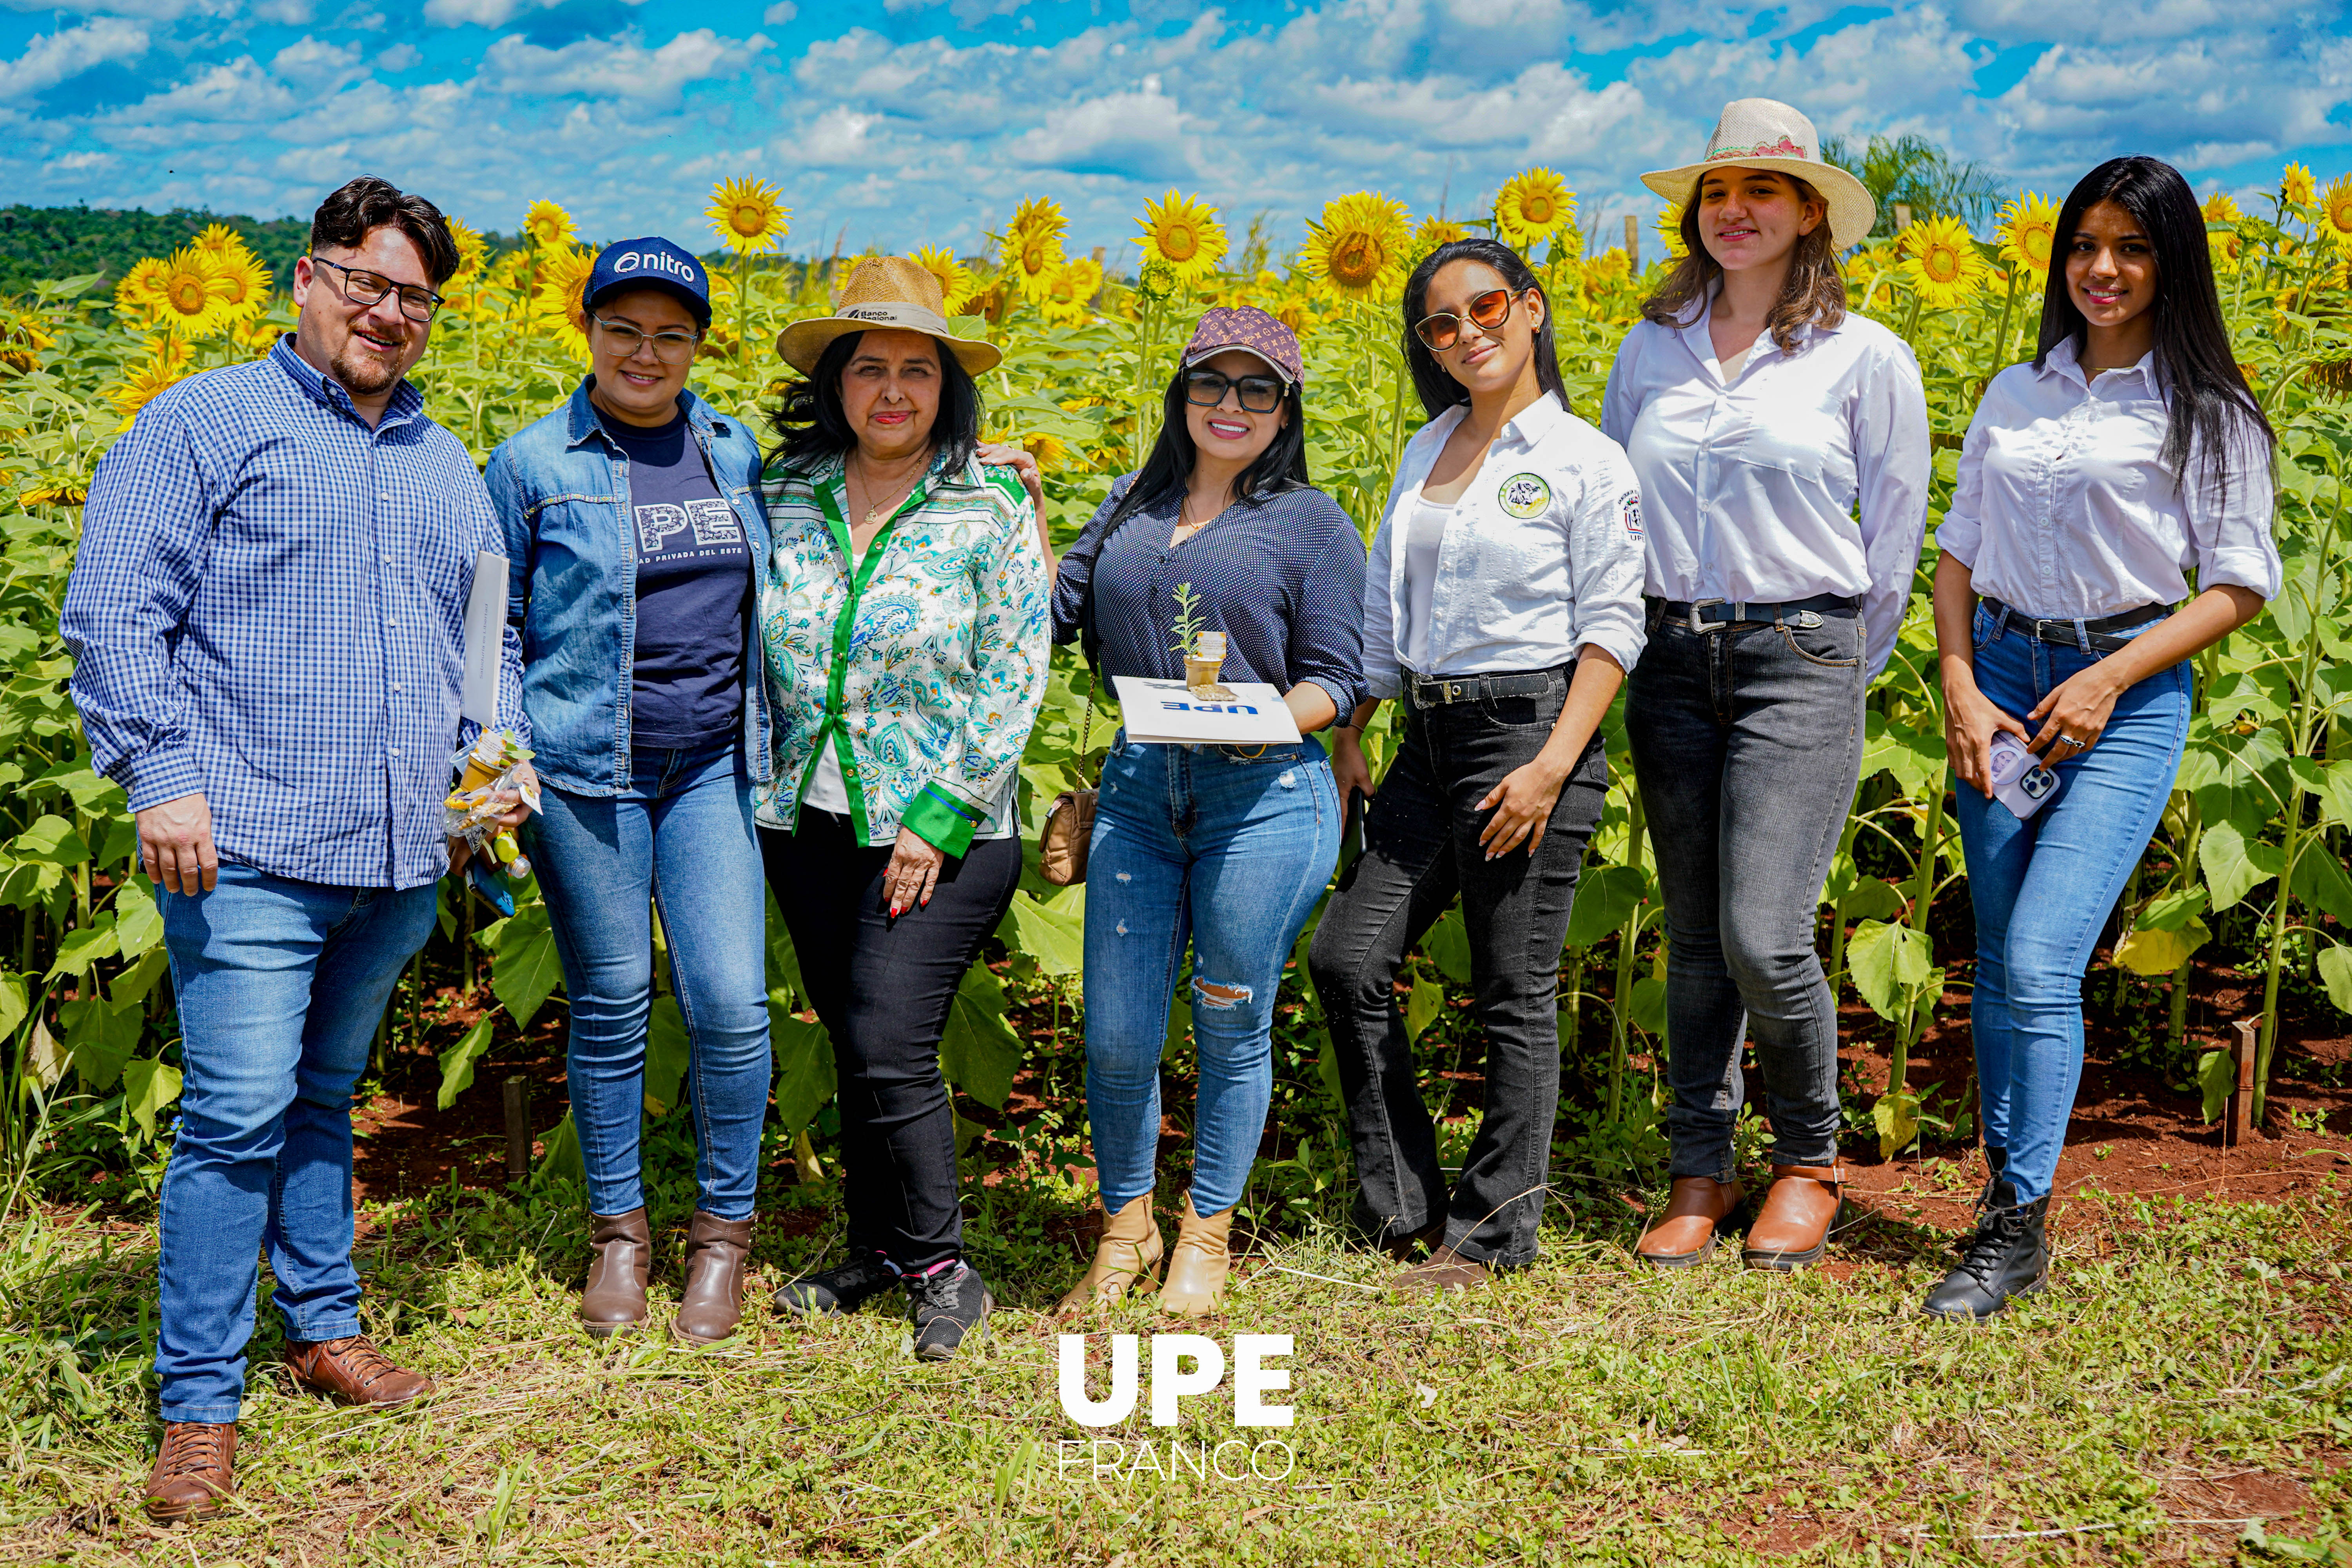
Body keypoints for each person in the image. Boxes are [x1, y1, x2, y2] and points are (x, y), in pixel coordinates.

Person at [62, 177, 528, 1524]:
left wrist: (487, 771)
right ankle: (200, 1406)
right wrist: (161, 777)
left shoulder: (444, 464)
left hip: (396, 857)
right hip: (247, 844)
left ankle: (323, 1331)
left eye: (414, 297)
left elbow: (481, 641)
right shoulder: (206, 421)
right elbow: (113, 609)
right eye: (365, 282)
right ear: (308, 279)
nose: (387, 313)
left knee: (323, 1100)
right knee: (233, 1118)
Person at [1928, 156, 2278, 1319]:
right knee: (1996, 962)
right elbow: (1958, 553)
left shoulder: (2210, 412)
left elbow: (2238, 586)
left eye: (2130, 248)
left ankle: (2016, 1227)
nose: (2103, 269)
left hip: (2124, 696)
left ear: (2172, 262)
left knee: (2040, 956)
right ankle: (2000, 1208)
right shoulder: (2016, 390)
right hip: (2005, 685)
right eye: (2084, 246)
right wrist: (1961, 687)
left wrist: (2108, 680)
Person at [1601, 98, 1929, 1273]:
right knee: (1694, 937)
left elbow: (1895, 537)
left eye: (1763, 193)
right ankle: (1701, 1168)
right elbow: (1617, 509)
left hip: (1801, 652)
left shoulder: (1864, 356)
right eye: (1717, 194)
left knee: (1764, 931)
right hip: (1670, 655)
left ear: (1808, 216)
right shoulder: (1652, 348)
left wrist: (1842, 660)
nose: (1734, 211)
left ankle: (1807, 1159)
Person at [1308, 238, 1648, 1294]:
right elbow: (1383, 606)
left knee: (1513, 988)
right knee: (1347, 957)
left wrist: (1554, 764)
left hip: (1529, 734)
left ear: (1532, 309)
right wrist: (1356, 726)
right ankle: (1401, 1202)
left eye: (1486, 307)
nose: (1468, 334)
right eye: (1441, 324)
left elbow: (1612, 628)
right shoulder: (1426, 450)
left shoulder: (1588, 460)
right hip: (1426, 733)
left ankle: (1494, 1233)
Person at [752, 256, 1049, 1360]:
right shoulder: (782, 494)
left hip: (944, 826)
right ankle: (879, 1248)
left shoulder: (991, 500)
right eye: (867, 367)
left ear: (946, 386)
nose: (891, 391)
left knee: (887, 1034)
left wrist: (943, 812)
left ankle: (942, 1266)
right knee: (852, 1031)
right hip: (807, 818)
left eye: (915, 371)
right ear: (833, 382)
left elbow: (1018, 666)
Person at [486, 238, 775, 1347]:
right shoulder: (530, 466)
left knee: (731, 1006)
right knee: (611, 1007)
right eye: (624, 329)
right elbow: (493, 628)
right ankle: (619, 1238)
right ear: (590, 332)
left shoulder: (732, 449)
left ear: (698, 346)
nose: (645, 352)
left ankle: (723, 1241)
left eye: (671, 333)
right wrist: (497, 746)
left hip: (711, 767)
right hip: (583, 771)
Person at [1051, 307, 1367, 1318]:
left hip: (1263, 797)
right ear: (1182, 395)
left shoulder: (1311, 521)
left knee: (1231, 1018)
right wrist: (1003, 492)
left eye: (1256, 390)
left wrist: (1259, 718)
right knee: (1116, 1031)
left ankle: (1208, 1233)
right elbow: (1055, 609)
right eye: (1210, 385)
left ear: (1285, 409)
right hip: (1141, 791)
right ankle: (1126, 1230)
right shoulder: (1130, 504)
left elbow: (1341, 679)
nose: (1229, 406)